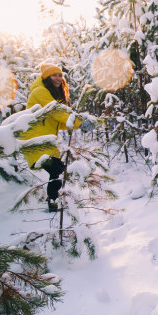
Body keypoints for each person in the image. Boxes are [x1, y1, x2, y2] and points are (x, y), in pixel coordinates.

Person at [19, 61, 95, 212]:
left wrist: (74, 124)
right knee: (57, 169)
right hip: (35, 142)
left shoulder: (47, 93)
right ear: (47, 77)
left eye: (60, 75)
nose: (58, 78)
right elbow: (56, 111)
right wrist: (79, 123)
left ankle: (54, 202)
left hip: (45, 142)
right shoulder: (39, 92)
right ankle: (53, 204)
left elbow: (56, 121)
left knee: (57, 170)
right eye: (54, 75)